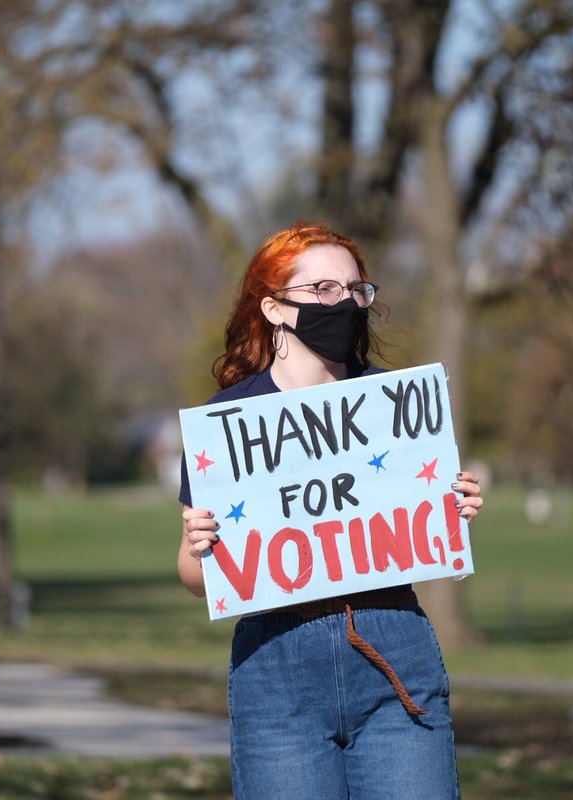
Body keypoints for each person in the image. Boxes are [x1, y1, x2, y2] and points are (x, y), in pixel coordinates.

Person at [178, 221, 484, 799]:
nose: (343, 303)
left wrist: (454, 505)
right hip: (277, 667)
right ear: (273, 308)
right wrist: (200, 546)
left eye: (354, 290)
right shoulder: (226, 424)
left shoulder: (397, 404)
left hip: (395, 653)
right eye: (323, 290)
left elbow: (416, 529)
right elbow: (195, 580)